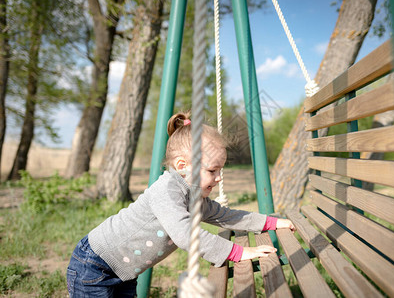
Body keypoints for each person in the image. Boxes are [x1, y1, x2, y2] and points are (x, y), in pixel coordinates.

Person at [66, 111, 296, 297]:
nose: (219, 177)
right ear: (183, 164)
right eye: (212, 170)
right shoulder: (166, 190)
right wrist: (236, 252)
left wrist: (271, 222)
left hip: (124, 271)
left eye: (220, 170)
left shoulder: (194, 196)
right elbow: (185, 234)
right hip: (95, 265)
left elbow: (227, 216)